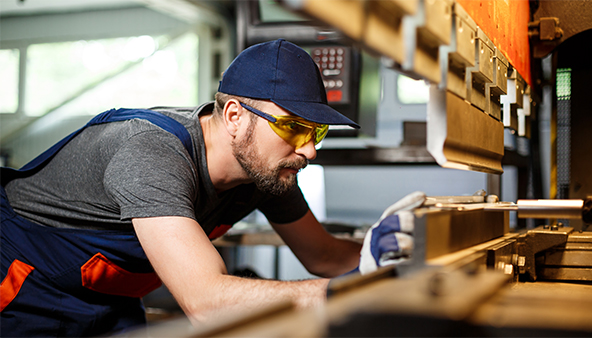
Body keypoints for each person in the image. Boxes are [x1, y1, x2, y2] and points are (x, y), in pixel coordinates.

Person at [1, 39, 370, 337]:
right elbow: (206, 301)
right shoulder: (151, 151)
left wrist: (391, 255)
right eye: (293, 127)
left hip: (111, 298)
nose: (309, 149)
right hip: (23, 291)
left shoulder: (268, 170)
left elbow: (325, 256)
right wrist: (347, 295)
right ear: (235, 117)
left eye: (316, 132)